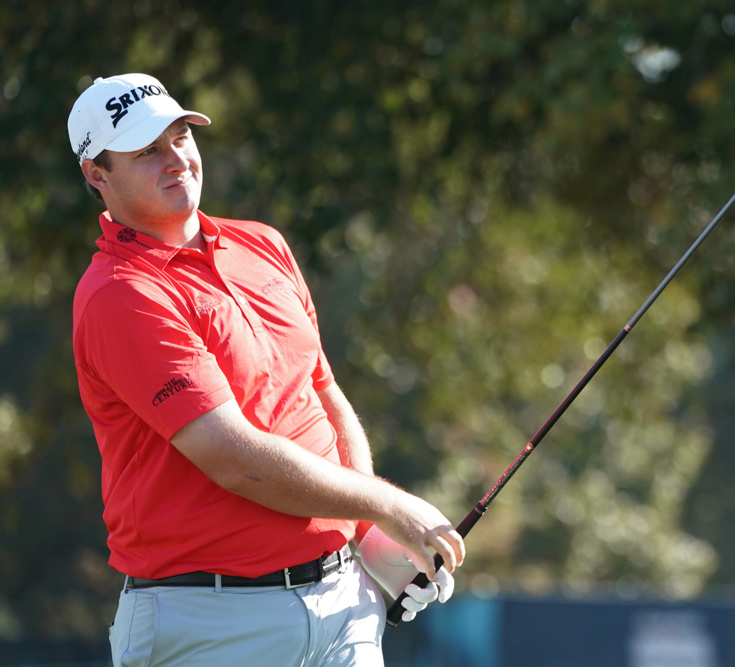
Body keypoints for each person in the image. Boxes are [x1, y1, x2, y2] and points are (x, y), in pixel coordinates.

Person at [68, 72, 464, 666]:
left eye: (180, 137)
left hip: (341, 607)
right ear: (97, 175)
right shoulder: (121, 292)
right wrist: (387, 506)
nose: (175, 159)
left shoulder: (262, 244)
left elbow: (322, 395)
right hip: (210, 621)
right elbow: (233, 459)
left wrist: (364, 534)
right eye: (147, 151)